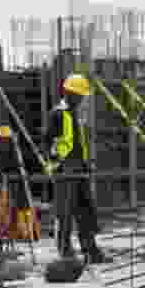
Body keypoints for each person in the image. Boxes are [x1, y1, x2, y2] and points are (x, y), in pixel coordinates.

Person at [44, 74, 111, 263]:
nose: (81, 100)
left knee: (86, 211)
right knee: (64, 213)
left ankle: (91, 251)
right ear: (68, 93)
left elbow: (77, 143)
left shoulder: (75, 115)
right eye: (78, 96)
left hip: (79, 169)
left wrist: (86, 162)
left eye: (82, 96)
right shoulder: (57, 113)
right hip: (65, 171)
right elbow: (48, 141)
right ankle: (65, 252)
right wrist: (55, 162)